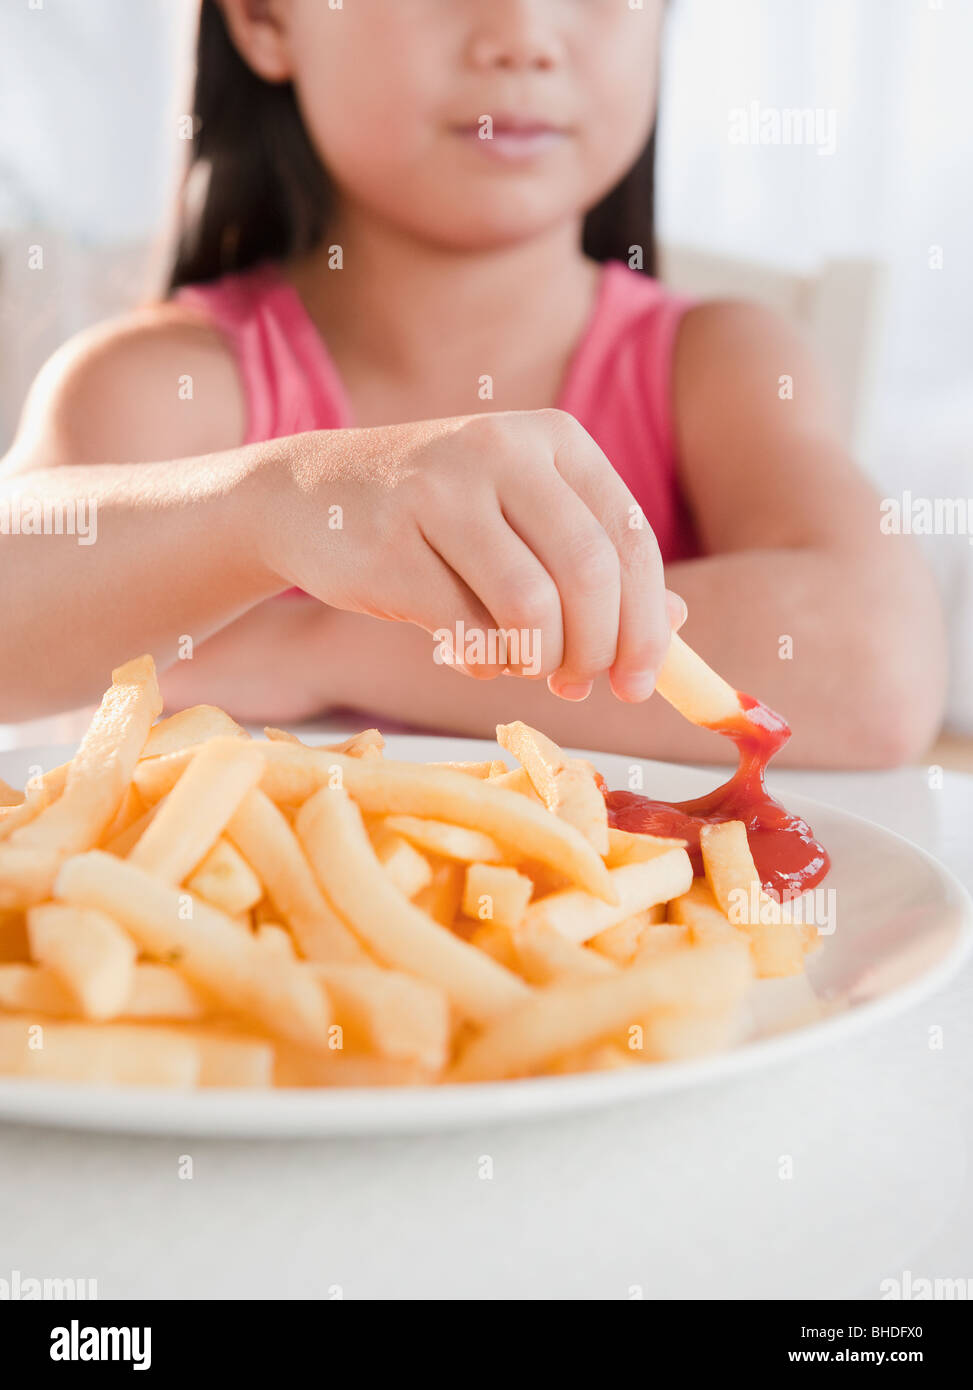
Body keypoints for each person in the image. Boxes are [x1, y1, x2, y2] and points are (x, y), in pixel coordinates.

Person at [0, 0, 945, 765]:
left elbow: (881, 669)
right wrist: (271, 508)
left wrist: (313, 646)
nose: (523, 37)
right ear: (264, 19)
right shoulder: (162, 380)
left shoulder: (723, 363)